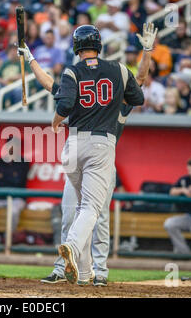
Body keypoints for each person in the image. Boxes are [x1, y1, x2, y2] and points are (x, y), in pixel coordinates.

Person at [19, 23, 153, 286]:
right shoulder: (116, 78)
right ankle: (69, 267)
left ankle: (96, 271)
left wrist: (147, 52)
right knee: (80, 211)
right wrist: (31, 59)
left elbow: (54, 89)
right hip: (99, 152)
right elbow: (137, 86)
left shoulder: (80, 77)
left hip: (80, 149)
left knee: (93, 214)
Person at [51, 24, 144, 286]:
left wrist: (55, 121)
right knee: (92, 208)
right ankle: (72, 246)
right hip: (101, 144)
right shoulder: (120, 69)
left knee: (81, 209)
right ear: (99, 45)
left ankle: (84, 273)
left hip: (72, 144)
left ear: (76, 46)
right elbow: (138, 99)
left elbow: (65, 104)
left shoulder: (72, 70)